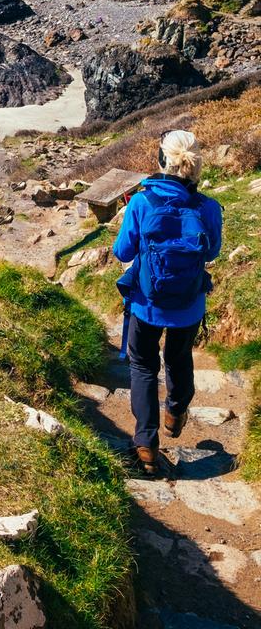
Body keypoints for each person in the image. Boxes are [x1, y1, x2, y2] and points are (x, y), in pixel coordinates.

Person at [113, 130, 222, 476]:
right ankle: (175, 411)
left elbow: (122, 252)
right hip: (189, 304)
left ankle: (145, 443)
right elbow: (214, 251)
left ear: (162, 159)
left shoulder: (142, 202)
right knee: (178, 358)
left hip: (147, 304)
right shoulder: (207, 207)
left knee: (143, 366)